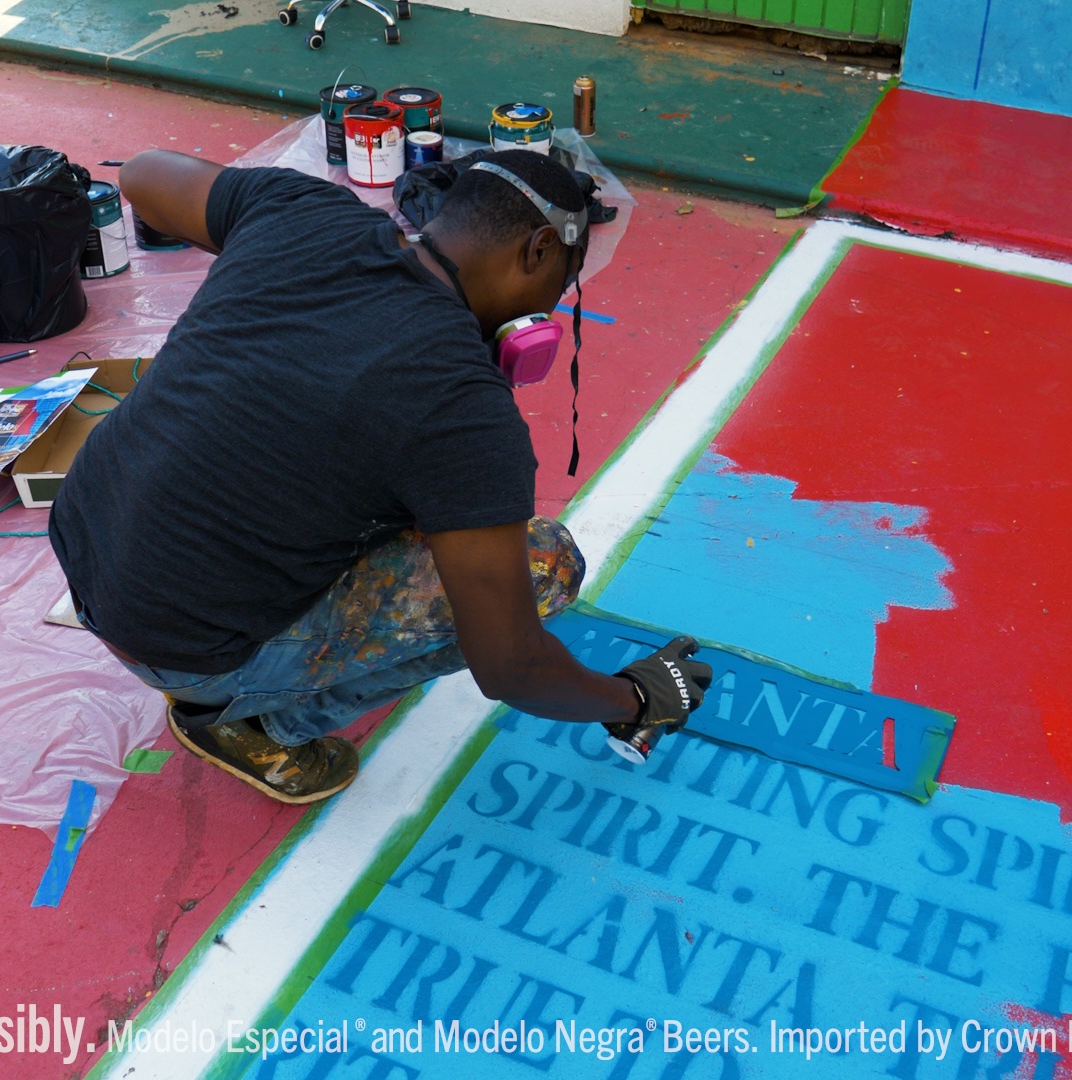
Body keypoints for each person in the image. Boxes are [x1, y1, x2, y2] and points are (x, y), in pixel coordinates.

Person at [50, 148, 711, 804]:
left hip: (85, 544)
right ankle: (258, 727)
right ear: (538, 249)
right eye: (559, 286)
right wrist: (636, 696)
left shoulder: (303, 211)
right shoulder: (463, 407)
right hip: (180, 647)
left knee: (398, 486)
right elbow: (512, 666)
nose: (547, 309)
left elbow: (139, 174)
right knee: (544, 565)